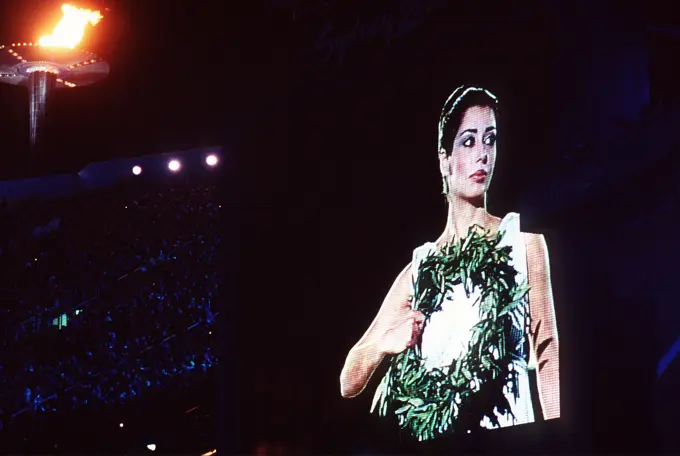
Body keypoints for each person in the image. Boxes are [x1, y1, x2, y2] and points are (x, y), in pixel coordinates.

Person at [339, 85, 560, 427]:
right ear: (444, 159)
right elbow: (348, 380)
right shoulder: (421, 268)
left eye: (490, 139)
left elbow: (546, 353)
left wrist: (559, 439)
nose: (482, 154)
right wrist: (384, 344)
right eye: (468, 141)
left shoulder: (524, 246)